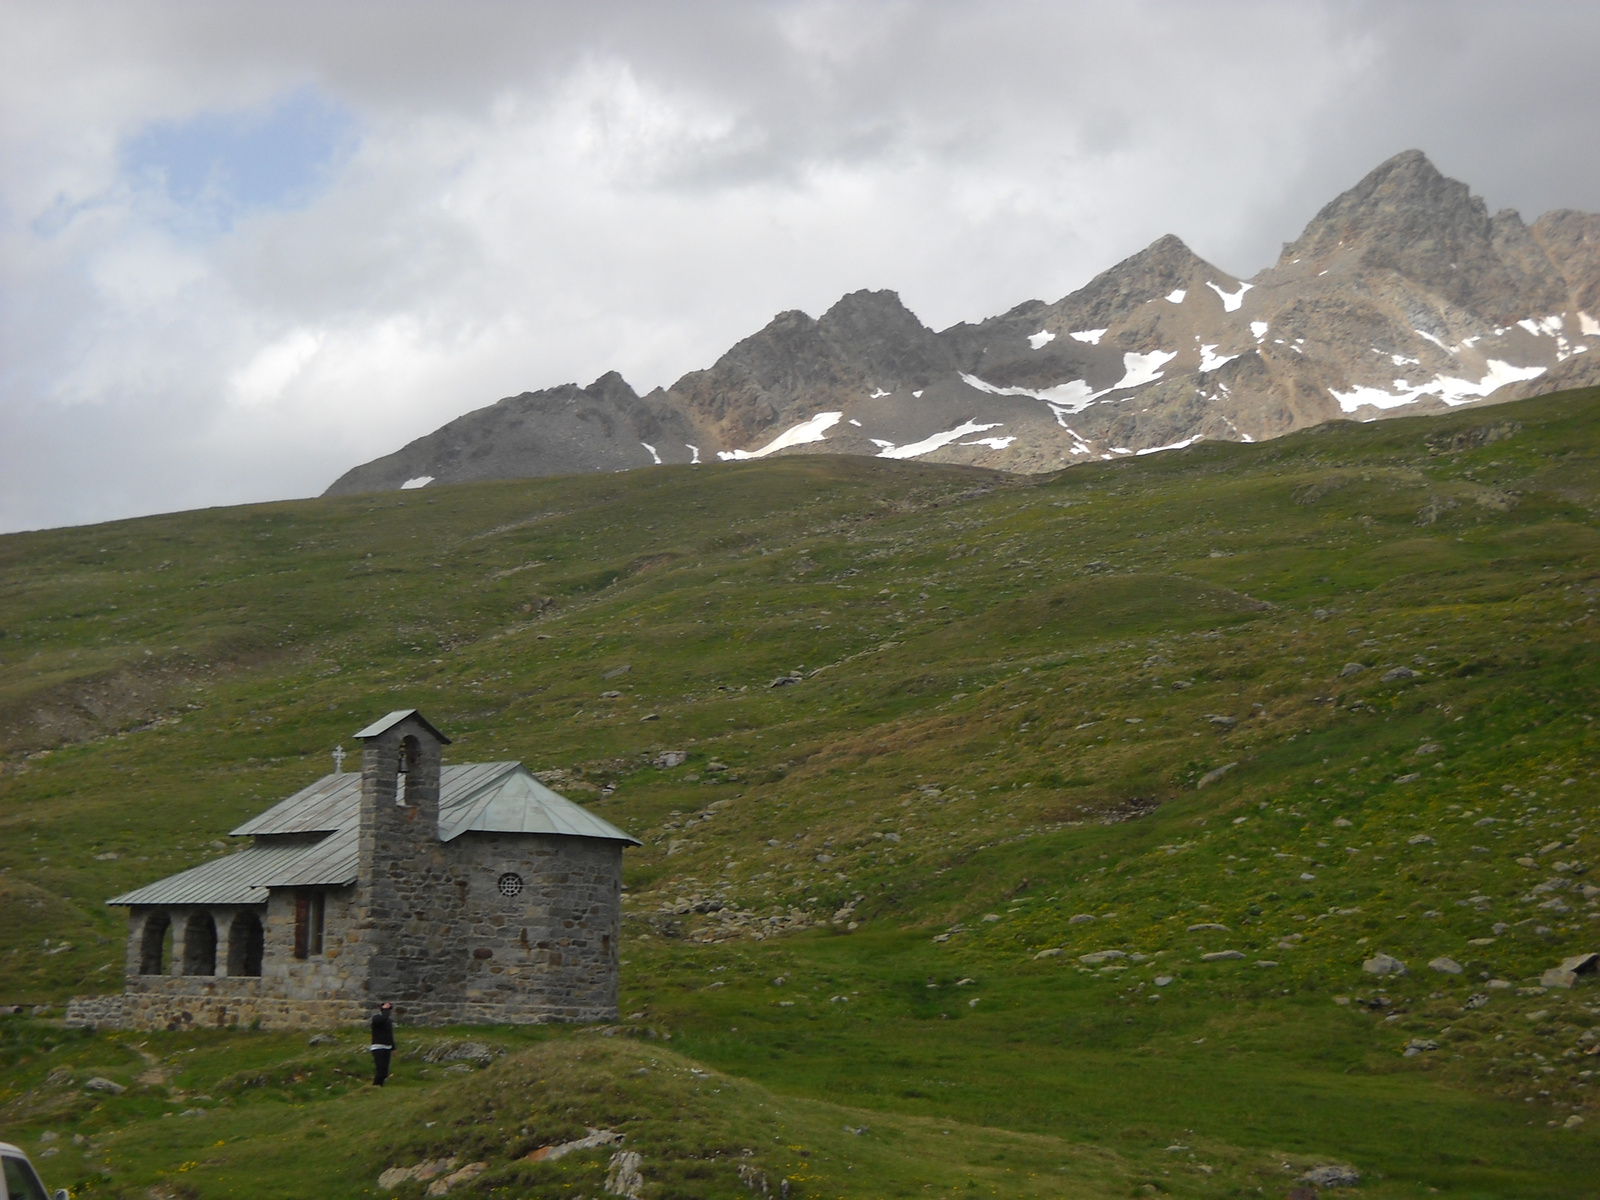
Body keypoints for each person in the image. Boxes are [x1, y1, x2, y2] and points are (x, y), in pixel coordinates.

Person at [370, 1001, 395, 1086]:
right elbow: (383, 1019)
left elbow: (390, 1034)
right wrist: (385, 1009)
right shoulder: (376, 1018)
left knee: (384, 1072)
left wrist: (393, 1048)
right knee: (380, 1070)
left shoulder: (388, 1021)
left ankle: (379, 1086)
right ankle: (375, 1086)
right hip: (378, 1047)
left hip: (387, 1048)